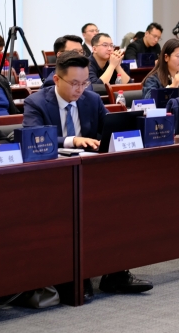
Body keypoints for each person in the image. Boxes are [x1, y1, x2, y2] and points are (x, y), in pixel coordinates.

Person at [23, 52, 152, 298]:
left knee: (121, 200)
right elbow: (34, 137)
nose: (80, 89)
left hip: (90, 174)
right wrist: (72, 140)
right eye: (74, 83)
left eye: (85, 83)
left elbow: (108, 131)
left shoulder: (91, 99)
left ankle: (115, 273)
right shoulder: (36, 102)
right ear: (56, 79)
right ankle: (70, 274)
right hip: (52, 178)